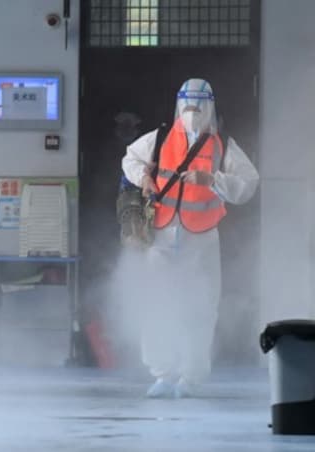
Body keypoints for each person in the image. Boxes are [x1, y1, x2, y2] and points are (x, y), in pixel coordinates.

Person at [121, 78, 259, 398]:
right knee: (157, 304)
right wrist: (143, 176)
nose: (193, 113)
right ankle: (163, 373)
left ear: (210, 106)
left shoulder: (222, 144)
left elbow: (248, 184)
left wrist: (213, 179)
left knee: (201, 307)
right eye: (187, 106)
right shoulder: (160, 138)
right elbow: (130, 158)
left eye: (199, 106)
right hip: (162, 236)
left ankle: (191, 377)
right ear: (178, 105)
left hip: (202, 237)